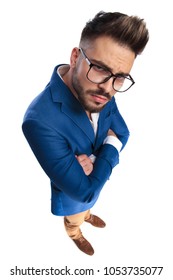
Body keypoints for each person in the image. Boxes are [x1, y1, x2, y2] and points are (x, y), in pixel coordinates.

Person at [22, 11, 149, 256]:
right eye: (100, 68)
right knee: (75, 215)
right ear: (75, 57)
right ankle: (74, 232)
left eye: (120, 77)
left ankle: (87, 215)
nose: (108, 88)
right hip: (72, 197)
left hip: (92, 182)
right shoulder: (38, 121)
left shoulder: (101, 89)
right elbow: (84, 190)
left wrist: (92, 163)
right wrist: (107, 153)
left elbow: (123, 133)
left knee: (89, 205)